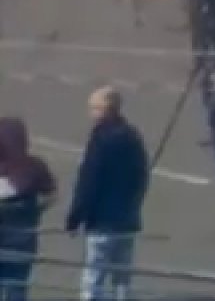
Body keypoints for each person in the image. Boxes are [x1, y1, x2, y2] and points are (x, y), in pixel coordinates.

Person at [65, 88, 148, 301]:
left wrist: (75, 217)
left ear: (106, 110)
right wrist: (134, 204)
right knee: (122, 278)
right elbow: (141, 176)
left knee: (94, 277)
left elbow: (89, 181)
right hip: (127, 219)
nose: (91, 113)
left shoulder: (100, 139)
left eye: (94, 108)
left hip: (101, 221)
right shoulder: (132, 136)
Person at [0, 117, 57, 301]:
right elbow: (51, 195)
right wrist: (35, 210)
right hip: (24, 240)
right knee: (17, 287)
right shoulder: (35, 166)